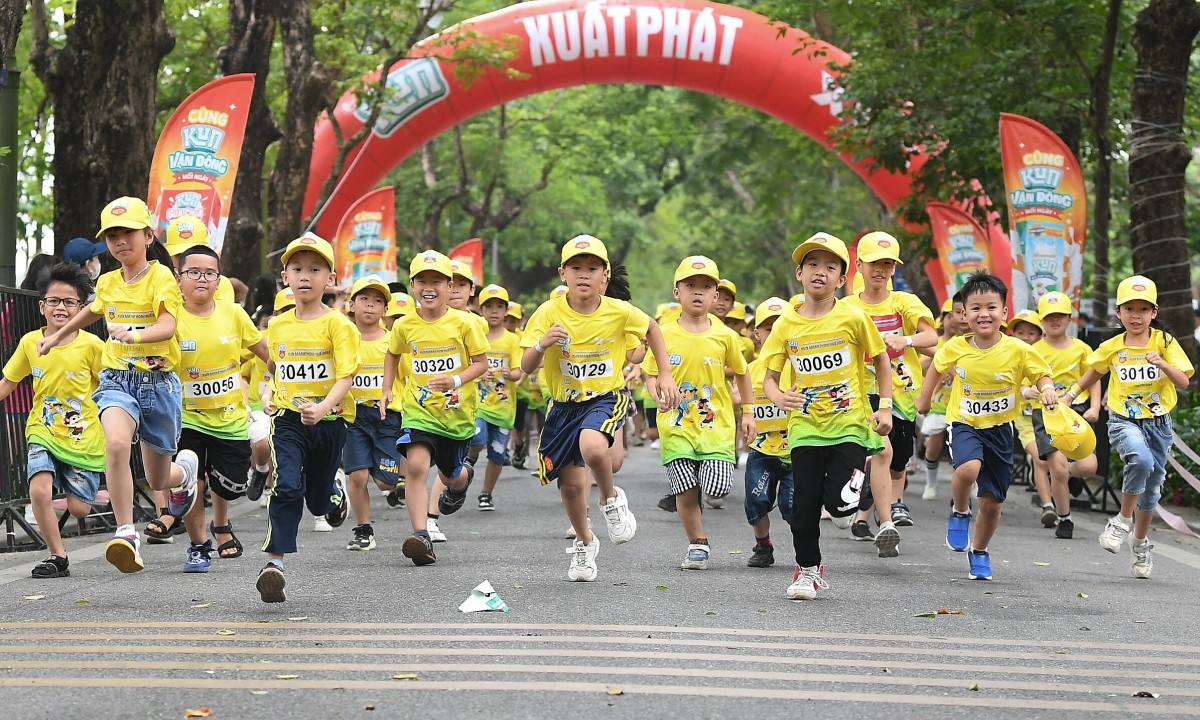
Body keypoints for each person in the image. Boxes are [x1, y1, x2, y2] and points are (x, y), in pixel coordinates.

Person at [37, 197, 199, 574]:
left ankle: (184, 474)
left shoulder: (161, 277)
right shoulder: (108, 282)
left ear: (147, 235)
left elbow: (168, 326)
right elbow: (87, 313)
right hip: (117, 380)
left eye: (126, 233)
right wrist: (52, 337)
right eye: (111, 235)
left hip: (158, 385)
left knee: (159, 477)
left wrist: (134, 334)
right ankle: (127, 533)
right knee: (115, 441)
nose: (119, 241)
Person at [521, 235, 679, 582]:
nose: (584, 274)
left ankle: (610, 500)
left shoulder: (618, 311)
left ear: (604, 277)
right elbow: (527, 365)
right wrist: (542, 342)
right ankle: (584, 542)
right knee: (573, 487)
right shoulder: (548, 312)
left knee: (593, 446)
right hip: (563, 407)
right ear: (563, 273)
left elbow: (653, 328)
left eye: (593, 268)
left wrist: (664, 373)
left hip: (605, 397)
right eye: (576, 267)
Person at [762, 232, 892, 600]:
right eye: (812, 265)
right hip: (804, 426)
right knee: (801, 505)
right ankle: (807, 570)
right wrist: (778, 397)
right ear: (800, 273)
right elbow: (770, 378)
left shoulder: (853, 316)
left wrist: (884, 406)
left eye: (830, 266)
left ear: (841, 279)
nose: (820, 272)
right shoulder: (786, 324)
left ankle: (856, 487)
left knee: (837, 506)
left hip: (849, 422)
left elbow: (880, 359)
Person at [917, 272, 1056, 581]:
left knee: (992, 504)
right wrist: (925, 399)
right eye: (976, 308)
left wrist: (1047, 389)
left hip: (1001, 430)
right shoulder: (956, 347)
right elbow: (937, 369)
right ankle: (960, 511)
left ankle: (979, 550)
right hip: (964, 422)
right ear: (964, 314)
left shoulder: (1018, 349)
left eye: (991, 307)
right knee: (967, 469)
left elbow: (1041, 373)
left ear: (1004, 313)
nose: (984, 314)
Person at [256, 234, 359, 602]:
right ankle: (275, 564)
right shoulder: (279, 325)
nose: (305, 276)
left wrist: (324, 408)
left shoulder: (339, 326)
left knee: (316, 502)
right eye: (297, 269)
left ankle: (333, 490)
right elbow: (275, 366)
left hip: (329, 423)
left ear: (329, 278)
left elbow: (346, 377)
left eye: (315, 269)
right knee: (285, 485)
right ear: (285, 276)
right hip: (288, 420)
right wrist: (268, 393)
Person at [1071, 276, 1194, 578]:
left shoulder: (1164, 342)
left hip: (1159, 424)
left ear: (1154, 312)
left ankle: (1139, 542)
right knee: (1140, 459)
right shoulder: (1112, 346)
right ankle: (1121, 521)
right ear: (1118, 312)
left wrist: (1163, 363)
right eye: (1129, 309)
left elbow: (1184, 381)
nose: (1136, 316)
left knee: (1151, 490)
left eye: (1143, 309)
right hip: (1124, 419)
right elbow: (1093, 372)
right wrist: (1071, 395)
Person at [644, 256, 754, 570]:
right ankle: (698, 543)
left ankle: (700, 509)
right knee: (684, 488)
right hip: (675, 424)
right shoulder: (663, 332)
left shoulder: (726, 336)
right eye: (690, 285)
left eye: (706, 287)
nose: (697, 292)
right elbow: (651, 374)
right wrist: (657, 394)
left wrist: (748, 413)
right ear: (677, 291)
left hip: (716, 425)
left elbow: (743, 374)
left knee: (717, 486)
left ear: (716, 297)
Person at [382, 250, 488, 566]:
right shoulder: (404, 325)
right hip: (419, 412)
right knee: (415, 465)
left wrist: (455, 380)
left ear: (449, 285)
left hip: (457, 417)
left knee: (451, 475)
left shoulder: (465, 323)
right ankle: (421, 535)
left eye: (437, 281)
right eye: (422, 281)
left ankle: (461, 480)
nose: (429, 287)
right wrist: (387, 388)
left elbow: (481, 364)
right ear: (413, 285)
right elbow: (392, 354)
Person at [0, 263, 106, 577]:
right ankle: (57, 557)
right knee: (40, 492)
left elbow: (109, 390)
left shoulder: (93, 346)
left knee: (79, 509)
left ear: (82, 308)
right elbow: (8, 382)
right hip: (42, 428)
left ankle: (71, 482)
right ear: (42, 306)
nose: (61, 307)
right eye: (54, 301)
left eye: (69, 302)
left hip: (83, 436)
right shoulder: (30, 343)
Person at [171, 245, 268, 571]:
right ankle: (199, 545)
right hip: (186, 417)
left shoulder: (234, 314)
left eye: (209, 273)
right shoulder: (170, 317)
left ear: (218, 280)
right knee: (191, 480)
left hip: (229, 418)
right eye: (193, 272)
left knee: (229, 485)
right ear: (179, 277)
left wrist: (286, 381)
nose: (201, 278)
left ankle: (221, 522)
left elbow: (266, 352)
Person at [844, 232, 937, 552]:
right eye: (873, 263)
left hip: (902, 393)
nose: (880, 270)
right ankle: (885, 522)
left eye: (887, 264)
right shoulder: (848, 307)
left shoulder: (904, 302)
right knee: (880, 452)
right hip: (862, 391)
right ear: (859, 266)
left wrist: (905, 341)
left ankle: (870, 513)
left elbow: (931, 337)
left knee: (897, 461)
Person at [420, 258, 489, 542]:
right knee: (427, 457)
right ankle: (430, 519)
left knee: (469, 450)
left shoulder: (476, 323)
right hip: (428, 405)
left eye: (463, 284)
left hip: (464, 403)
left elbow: (480, 361)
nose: (458, 290)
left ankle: (460, 479)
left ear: (471, 289)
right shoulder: (422, 319)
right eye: (454, 283)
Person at [342, 276, 405, 551]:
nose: (370, 305)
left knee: (385, 482)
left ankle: (397, 476)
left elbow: (408, 377)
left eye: (378, 301)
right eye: (364, 299)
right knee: (357, 476)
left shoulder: (392, 342)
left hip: (386, 418)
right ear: (352, 304)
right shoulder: (342, 338)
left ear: (385, 310)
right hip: (353, 417)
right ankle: (363, 529)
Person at [1033, 291, 1102, 539]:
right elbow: (1022, 382)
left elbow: (1094, 378)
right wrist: (1030, 391)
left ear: (1070, 318)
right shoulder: (1033, 350)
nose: (1055, 321)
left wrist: (1095, 407)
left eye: (1060, 316)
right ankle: (1065, 519)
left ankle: (1069, 474)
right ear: (1041, 319)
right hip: (1047, 414)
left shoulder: (1082, 349)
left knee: (1088, 466)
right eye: (1050, 316)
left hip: (1076, 411)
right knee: (1058, 469)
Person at [742, 297, 795, 568]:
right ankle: (763, 546)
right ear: (757, 334)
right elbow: (738, 400)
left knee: (793, 506)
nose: (774, 332)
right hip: (761, 450)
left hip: (796, 451)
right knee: (756, 500)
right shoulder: (750, 371)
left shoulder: (801, 368)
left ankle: (805, 552)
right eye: (768, 327)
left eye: (780, 325)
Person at [471, 284, 525, 511]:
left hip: (503, 408)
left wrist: (508, 373)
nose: (494, 311)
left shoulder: (512, 341)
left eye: (499, 307)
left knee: (497, 454)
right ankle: (468, 461)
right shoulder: (475, 335)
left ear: (506, 311)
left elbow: (518, 372)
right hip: (478, 404)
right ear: (480, 309)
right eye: (489, 306)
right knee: (477, 438)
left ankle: (486, 493)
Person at [1006, 310, 1056, 525]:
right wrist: (1023, 391)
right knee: (1040, 459)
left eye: (1031, 333)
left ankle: (1058, 480)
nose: (1025, 337)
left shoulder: (1040, 356)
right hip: (1024, 420)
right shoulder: (1007, 354)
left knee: (1054, 463)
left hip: (1052, 418)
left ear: (1040, 335)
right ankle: (1047, 506)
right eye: (1020, 332)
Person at [916, 295, 964, 503]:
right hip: (938, 404)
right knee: (934, 444)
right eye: (951, 315)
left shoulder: (974, 342)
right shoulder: (940, 344)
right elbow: (921, 366)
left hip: (963, 405)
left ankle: (967, 488)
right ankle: (931, 483)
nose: (954, 320)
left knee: (962, 449)